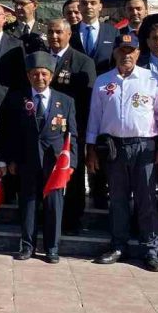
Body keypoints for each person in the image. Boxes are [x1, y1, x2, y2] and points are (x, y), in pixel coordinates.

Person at [87, 34, 158, 272]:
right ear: (115, 53)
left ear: (139, 53)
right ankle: (118, 245)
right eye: (122, 50)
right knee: (118, 200)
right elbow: (95, 118)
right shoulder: (103, 80)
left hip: (144, 146)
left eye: (131, 51)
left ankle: (150, 250)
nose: (126, 55)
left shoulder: (151, 79)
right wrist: (91, 150)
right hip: (114, 148)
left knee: (146, 200)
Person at [0, 51, 78, 264]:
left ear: (51, 76)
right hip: (27, 161)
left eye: (44, 74)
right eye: (35, 74)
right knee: (28, 204)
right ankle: (27, 246)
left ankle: (52, 248)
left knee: (54, 206)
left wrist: (71, 163)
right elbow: (9, 133)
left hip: (55, 166)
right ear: (28, 76)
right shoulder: (17, 99)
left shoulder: (66, 101)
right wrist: (10, 159)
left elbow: (73, 135)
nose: (39, 78)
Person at [42, 19, 97, 229]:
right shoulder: (42, 58)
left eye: (58, 32)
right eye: (50, 32)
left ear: (68, 35)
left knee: (71, 171)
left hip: (73, 127)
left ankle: (73, 218)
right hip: (46, 127)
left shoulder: (83, 62)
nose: (54, 36)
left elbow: (88, 97)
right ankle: (47, 215)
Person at [70, 0, 117, 75]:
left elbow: (116, 60)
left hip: (104, 83)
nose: (89, 6)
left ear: (100, 6)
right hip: (76, 83)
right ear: (79, 7)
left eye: (93, 3)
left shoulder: (113, 32)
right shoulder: (69, 31)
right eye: (84, 3)